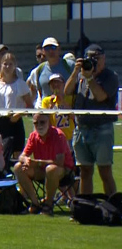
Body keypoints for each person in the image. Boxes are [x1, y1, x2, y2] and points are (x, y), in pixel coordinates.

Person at [65, 44, 118, 196]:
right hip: (81, 128)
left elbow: (101, 97)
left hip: (102, 129)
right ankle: (86, 206)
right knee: (85, 171)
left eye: (97, 58)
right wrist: (76, 72)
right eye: (90, 58)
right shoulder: (82, 74)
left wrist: (89, 78)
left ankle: (113, 206)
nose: (93, 62)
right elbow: (67, 91)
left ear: (104, 58)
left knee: (104, 170)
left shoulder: (110, 76)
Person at [14, 113, 74, 215]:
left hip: (63, 172)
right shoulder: (33, 136)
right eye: (36, 123)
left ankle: (48, 204)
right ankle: (35, 203)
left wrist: (37, 163)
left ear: (49, 122)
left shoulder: (58, 135)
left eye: (42, 122)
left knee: (51, 169)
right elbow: (21, 156)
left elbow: (60, 162)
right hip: (42, 170)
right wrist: (26, 160)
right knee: (18, 167)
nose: (39, 125)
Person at [0, 53, 33, 157]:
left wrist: (18, 115)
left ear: (15, 66)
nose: (7, 67)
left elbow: (29, 105)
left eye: (10, 64)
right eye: (5, 64)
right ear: (1, 65)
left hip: (13, 121)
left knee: (16, 155)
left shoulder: (20, 84)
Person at [29, 37, 74, 109]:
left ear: (59, 49)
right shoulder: (40, 69)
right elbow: (40, 91)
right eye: (47, 48)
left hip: (67, 111)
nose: (50, 51)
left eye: (53, 47)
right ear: (43, 51)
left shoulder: (69, 65)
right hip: (47, 112)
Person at [41, 73, 75, 146]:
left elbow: (74, 117)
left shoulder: (70, 99)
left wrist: (63, 102)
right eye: (53, 84)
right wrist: (51, 106)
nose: (55, 85)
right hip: (55, 136)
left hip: (69, 136)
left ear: (63, 84)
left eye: (58, 83)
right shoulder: (46, 101)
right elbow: (44, 119)